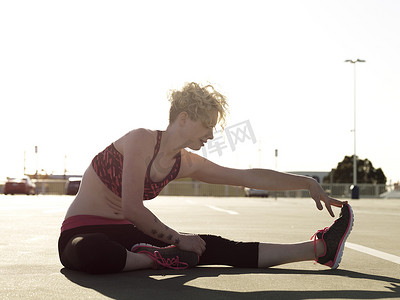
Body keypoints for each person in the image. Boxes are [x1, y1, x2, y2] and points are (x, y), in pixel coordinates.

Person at [58, 82, 354, 274]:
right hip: (82, 231)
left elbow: (246, 176)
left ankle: (320, 248)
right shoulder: (140, 140)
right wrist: (177, 240)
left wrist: (305, 182)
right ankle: (155, 258)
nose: (212, 135)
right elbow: (132, 209)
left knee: (208, 244)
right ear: (183, 118)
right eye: (207, 126)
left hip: (130, 236)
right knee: (90, 250)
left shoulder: (186, 163)